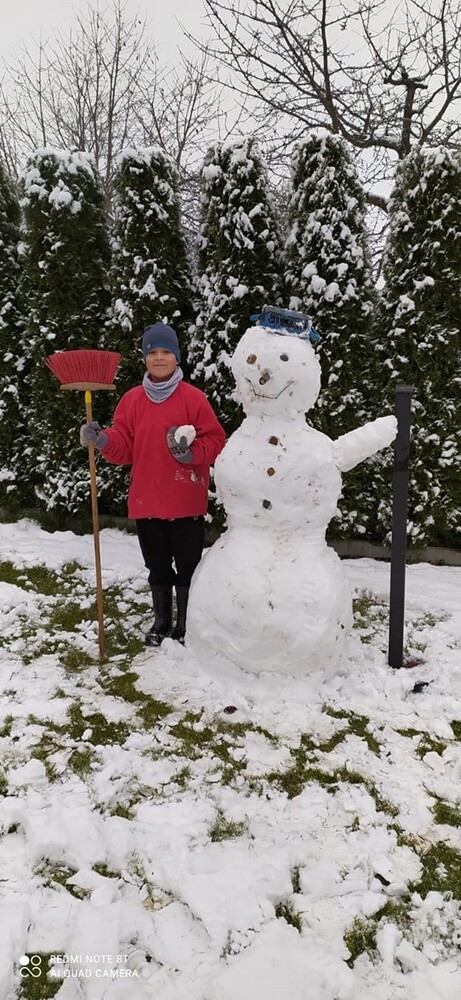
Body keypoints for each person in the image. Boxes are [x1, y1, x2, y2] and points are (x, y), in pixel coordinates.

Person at [80, 322, 226, 647]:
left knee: (188, 567)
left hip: (186, 499)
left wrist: (193, 454)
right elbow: (123, 446)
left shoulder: (193, 399)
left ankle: (186, 623)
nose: (159, 358)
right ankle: (162, 622)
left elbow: (215, 440)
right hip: (147, 500)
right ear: (145, 358)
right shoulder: (132, 400)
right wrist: (102, 439)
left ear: (177, 357)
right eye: (153, 352)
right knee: (157, 566)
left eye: (166, 352)